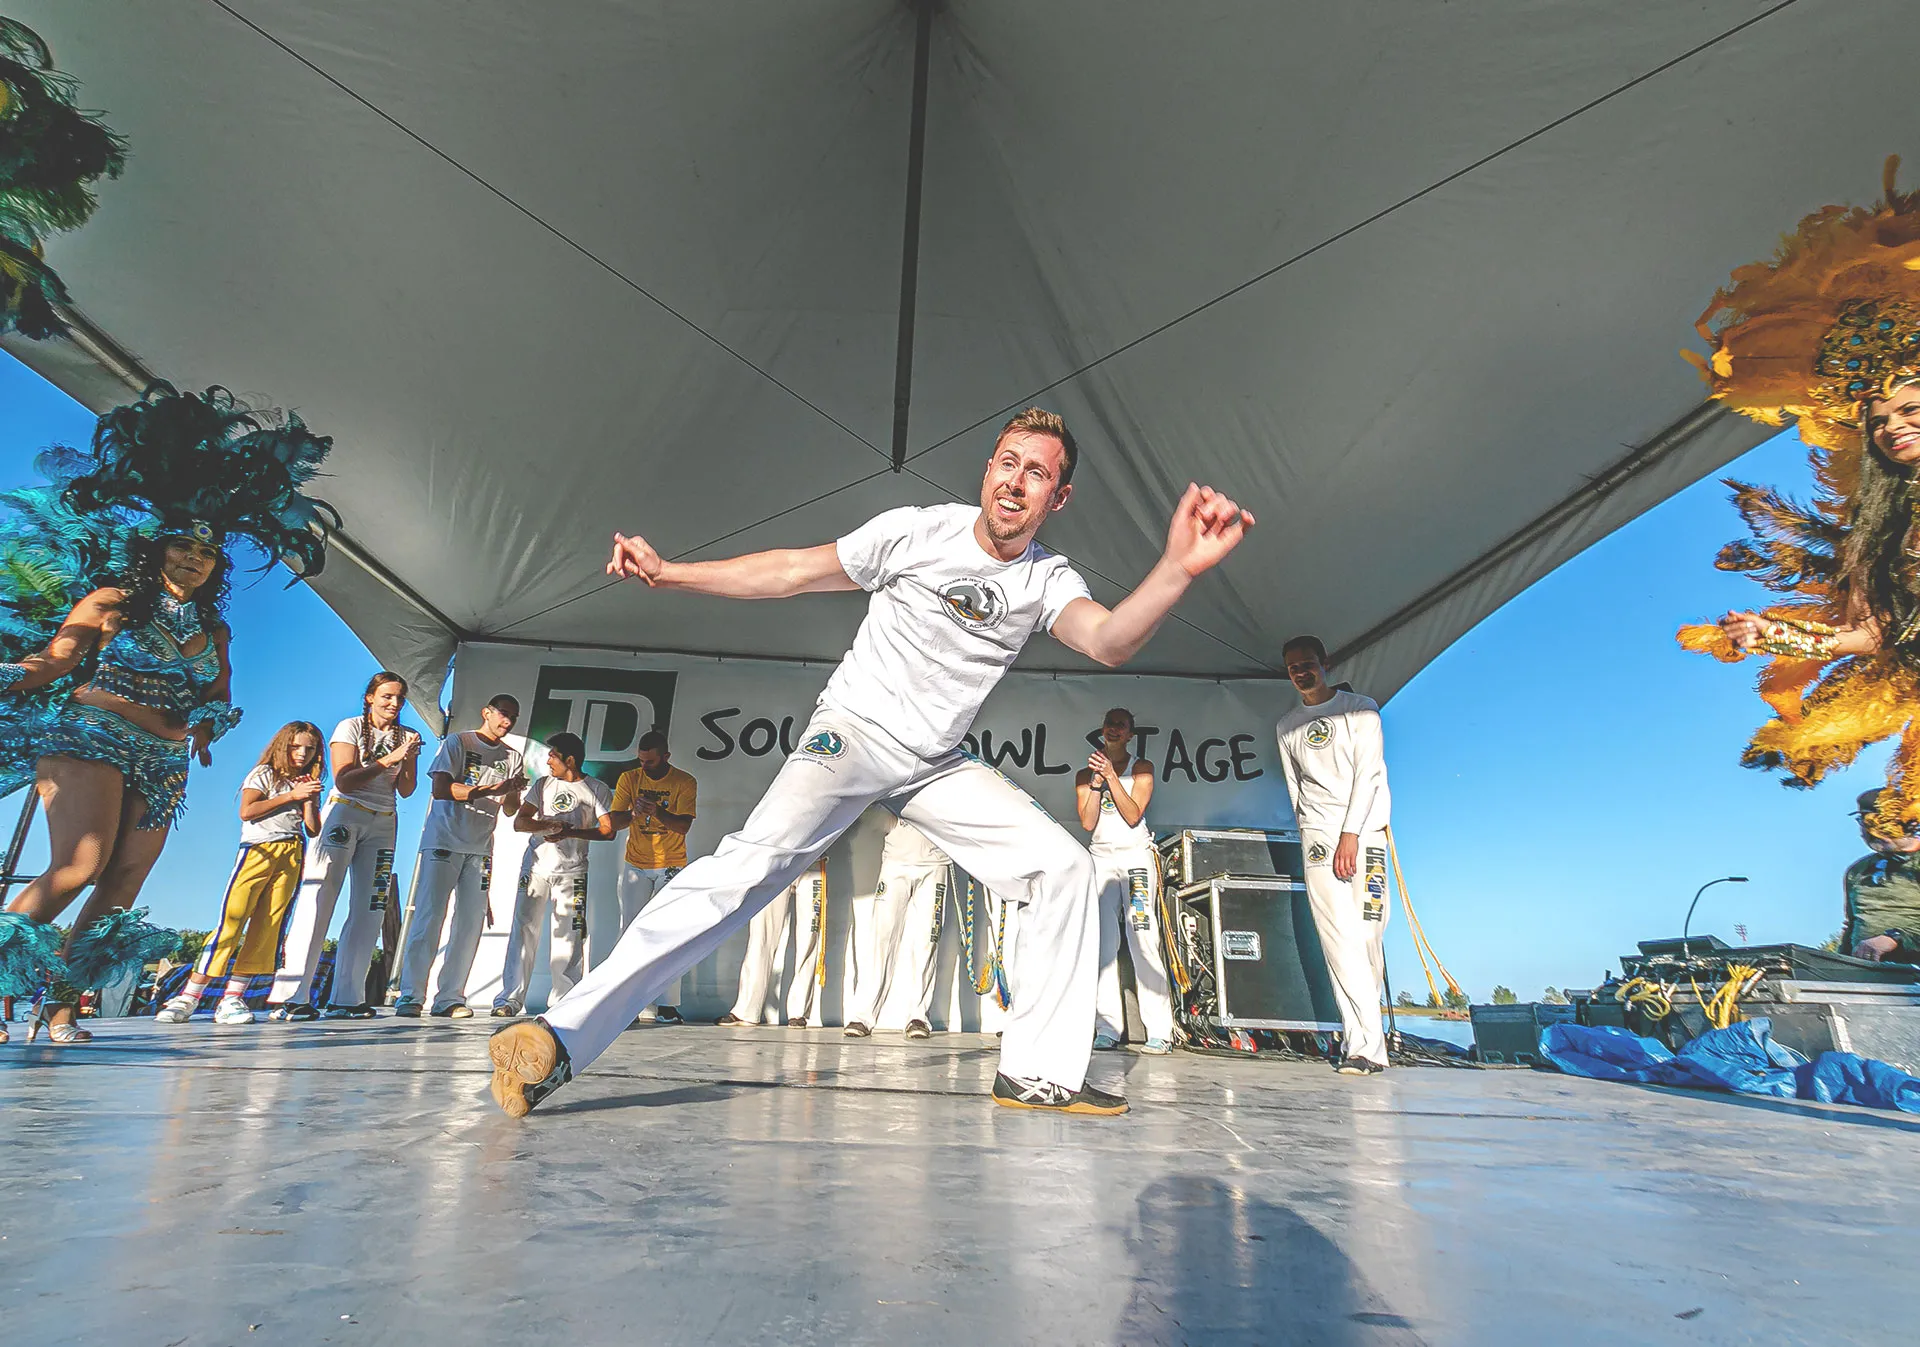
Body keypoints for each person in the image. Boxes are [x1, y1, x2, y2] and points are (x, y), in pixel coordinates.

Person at [486, 406, 1253, 1117]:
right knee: (746, 868)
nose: (1016, 482)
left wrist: (1177, 568)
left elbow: (1112, 639)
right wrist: (672, 572)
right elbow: (791, 570)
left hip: (934, 763)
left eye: (1038, 473)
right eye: (1008, 462)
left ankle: (1038, 1070)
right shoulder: (917, 532)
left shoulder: (1046, 578)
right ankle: (558, 1038)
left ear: (1059, 497)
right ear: (988, 468)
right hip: (853, 733)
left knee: (1064, 867)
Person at [0, 384, 335, 1044]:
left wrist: (210, 725)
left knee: (120, 885)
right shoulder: (113, 600)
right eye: (182, 545)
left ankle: (62, 1007)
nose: (193, 557)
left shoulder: (214, 634)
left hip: (163, 760)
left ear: (217, 566)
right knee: (80, 864)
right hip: (90, 736)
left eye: (207, 552)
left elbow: (217, 694)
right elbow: (59, 659)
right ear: (157, 550)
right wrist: (19, 673)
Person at [1677, 159, 1920, 840]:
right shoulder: (1879, 539)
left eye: (1908, 406)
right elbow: (1869, 634)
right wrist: (1770, 632)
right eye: (1878, 420)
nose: (1892, 424)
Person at [267, 672, 421, 1021]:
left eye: (399, 698)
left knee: (371, 907)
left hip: (383, 819)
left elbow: (407, 790)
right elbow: (345, 779)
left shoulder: (407, 736)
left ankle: (348, 998)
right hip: (344, 813)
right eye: (386, 696)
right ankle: (294, 995)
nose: (393, 704)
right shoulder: (349, 726)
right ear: (370, 697)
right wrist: (388, 758)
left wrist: (408, 757)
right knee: (319, 898)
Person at [1274, 635, 1391, 1075]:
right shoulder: (1287, 726)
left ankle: (1369, 1037)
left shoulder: (1360, 709)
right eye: (1292, 668)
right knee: (1339, 944)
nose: (1301, 673)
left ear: (1325, 663)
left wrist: (1352, 834)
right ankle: (1362, 1047)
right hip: (1320, 839)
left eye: (1308, 664)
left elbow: (1369, 774)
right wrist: (1316, 835)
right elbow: (1295, 788)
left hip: (1367, 837)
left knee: (1367, 937)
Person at [155, 722, 325, 1024]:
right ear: (282, 746)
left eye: (309, 749)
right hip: (258, 849)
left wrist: (308, 800)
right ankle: (190, 995)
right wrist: (290, 796)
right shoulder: (264, 774)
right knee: (233, 919)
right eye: (296, 747)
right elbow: (247, 811)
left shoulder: (304, 783)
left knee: (269, 926)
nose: (302, 754)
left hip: (292, 851)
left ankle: (233, 997)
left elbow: (313, 829)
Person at [394, 695, 525, 1018]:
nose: (507, 722)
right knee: (429, 917)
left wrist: (511, 790)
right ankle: (411, 995)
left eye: (513, 718)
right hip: (444, 841)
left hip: (480, 847)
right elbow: (441, 789)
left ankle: (450, 997)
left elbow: (510, 809)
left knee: (469, 923)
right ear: (486, 712)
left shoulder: (513, 756)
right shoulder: (458, 742)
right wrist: (488, 790)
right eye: (503, 714)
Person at [1076, 707, 1174, 1055]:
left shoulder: (1141, 769)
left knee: (1143, 938)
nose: (1114, 729)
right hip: (1101, 858)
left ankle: (1160, 1031)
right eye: (1109, 724)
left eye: (1121, 725)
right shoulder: (1085, 775)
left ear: (1130, 734)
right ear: (1102, 730)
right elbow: (1087, 822)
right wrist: (1096, 782)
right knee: (1103, 943)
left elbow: (1133, 815)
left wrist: (1113, 778)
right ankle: (1107, 1027)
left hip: (1134, 858)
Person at [495, 732, 614, 1017]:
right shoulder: (543, 785)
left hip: (573, 872)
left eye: (553, 755)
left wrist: (571, 831)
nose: (548, 760)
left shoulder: (596, 788)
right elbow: (520, 823)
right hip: (535, 868)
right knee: (523, 930)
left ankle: (565, 1002)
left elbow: (608, 831)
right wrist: (545, 826)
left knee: (569, 936)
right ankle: (509, 1000)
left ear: (569, 760)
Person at [604, 731, 696, 1023]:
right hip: (636, 864)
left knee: (669, 932)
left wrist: (656, 812)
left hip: (671, 863)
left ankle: (667, 1004)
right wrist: (633, 813)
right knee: (629, 931)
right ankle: (625, 1003)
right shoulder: (629, 779)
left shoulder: (684, 782)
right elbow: (613, 822)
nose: (644, 767)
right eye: (641, 761)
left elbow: (683, 827)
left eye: (651, 762)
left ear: (666, 757)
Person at [841, 818, 949, 1040]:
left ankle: (918, 1016)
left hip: (936, 862)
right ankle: (863, 1016)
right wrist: (890, 822)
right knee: (881, 938)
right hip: (896, 861)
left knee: (927, 939)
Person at [719, 863, 827, 1028]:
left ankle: (798, 1012)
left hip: (813, 862)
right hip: (776, 864)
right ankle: (746, 1010)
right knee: (760, 937)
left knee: (809, 939)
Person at [1843, 790, 1920, 966]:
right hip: (1869, 978)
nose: (1870, 833)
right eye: (1863, 823)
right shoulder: (1858, 870)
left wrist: (1896, 938)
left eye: (1881, 824)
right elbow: (1852, 926)